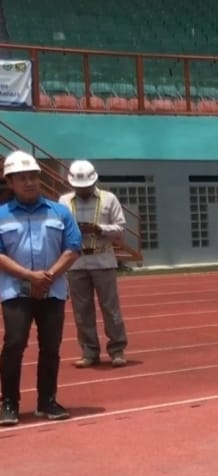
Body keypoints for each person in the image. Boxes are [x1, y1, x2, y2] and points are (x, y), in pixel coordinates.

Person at [0, 151, 82, 425]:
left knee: (51, 347)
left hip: (53, 291)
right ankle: (9, 403)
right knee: (14, 345)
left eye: (34, 176)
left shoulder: (59, 212)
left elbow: (73, 249)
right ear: (10, 182)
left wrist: (46, 277)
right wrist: (29, 276)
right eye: (22, 178)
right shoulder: (1, 215)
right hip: (15, 292)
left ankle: (47, 401)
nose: (29, 183)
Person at [60, 160, 130, 369]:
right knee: (82, 311)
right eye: (78, 187)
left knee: (110, 308)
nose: (82, 190)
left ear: (94, 181)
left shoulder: (109, 199)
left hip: (103, 260)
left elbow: (120, 229)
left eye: (86, 186)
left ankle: (117, 349)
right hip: (76, 262)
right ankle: (89, 351)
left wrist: (99, 229)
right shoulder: (64, 201)